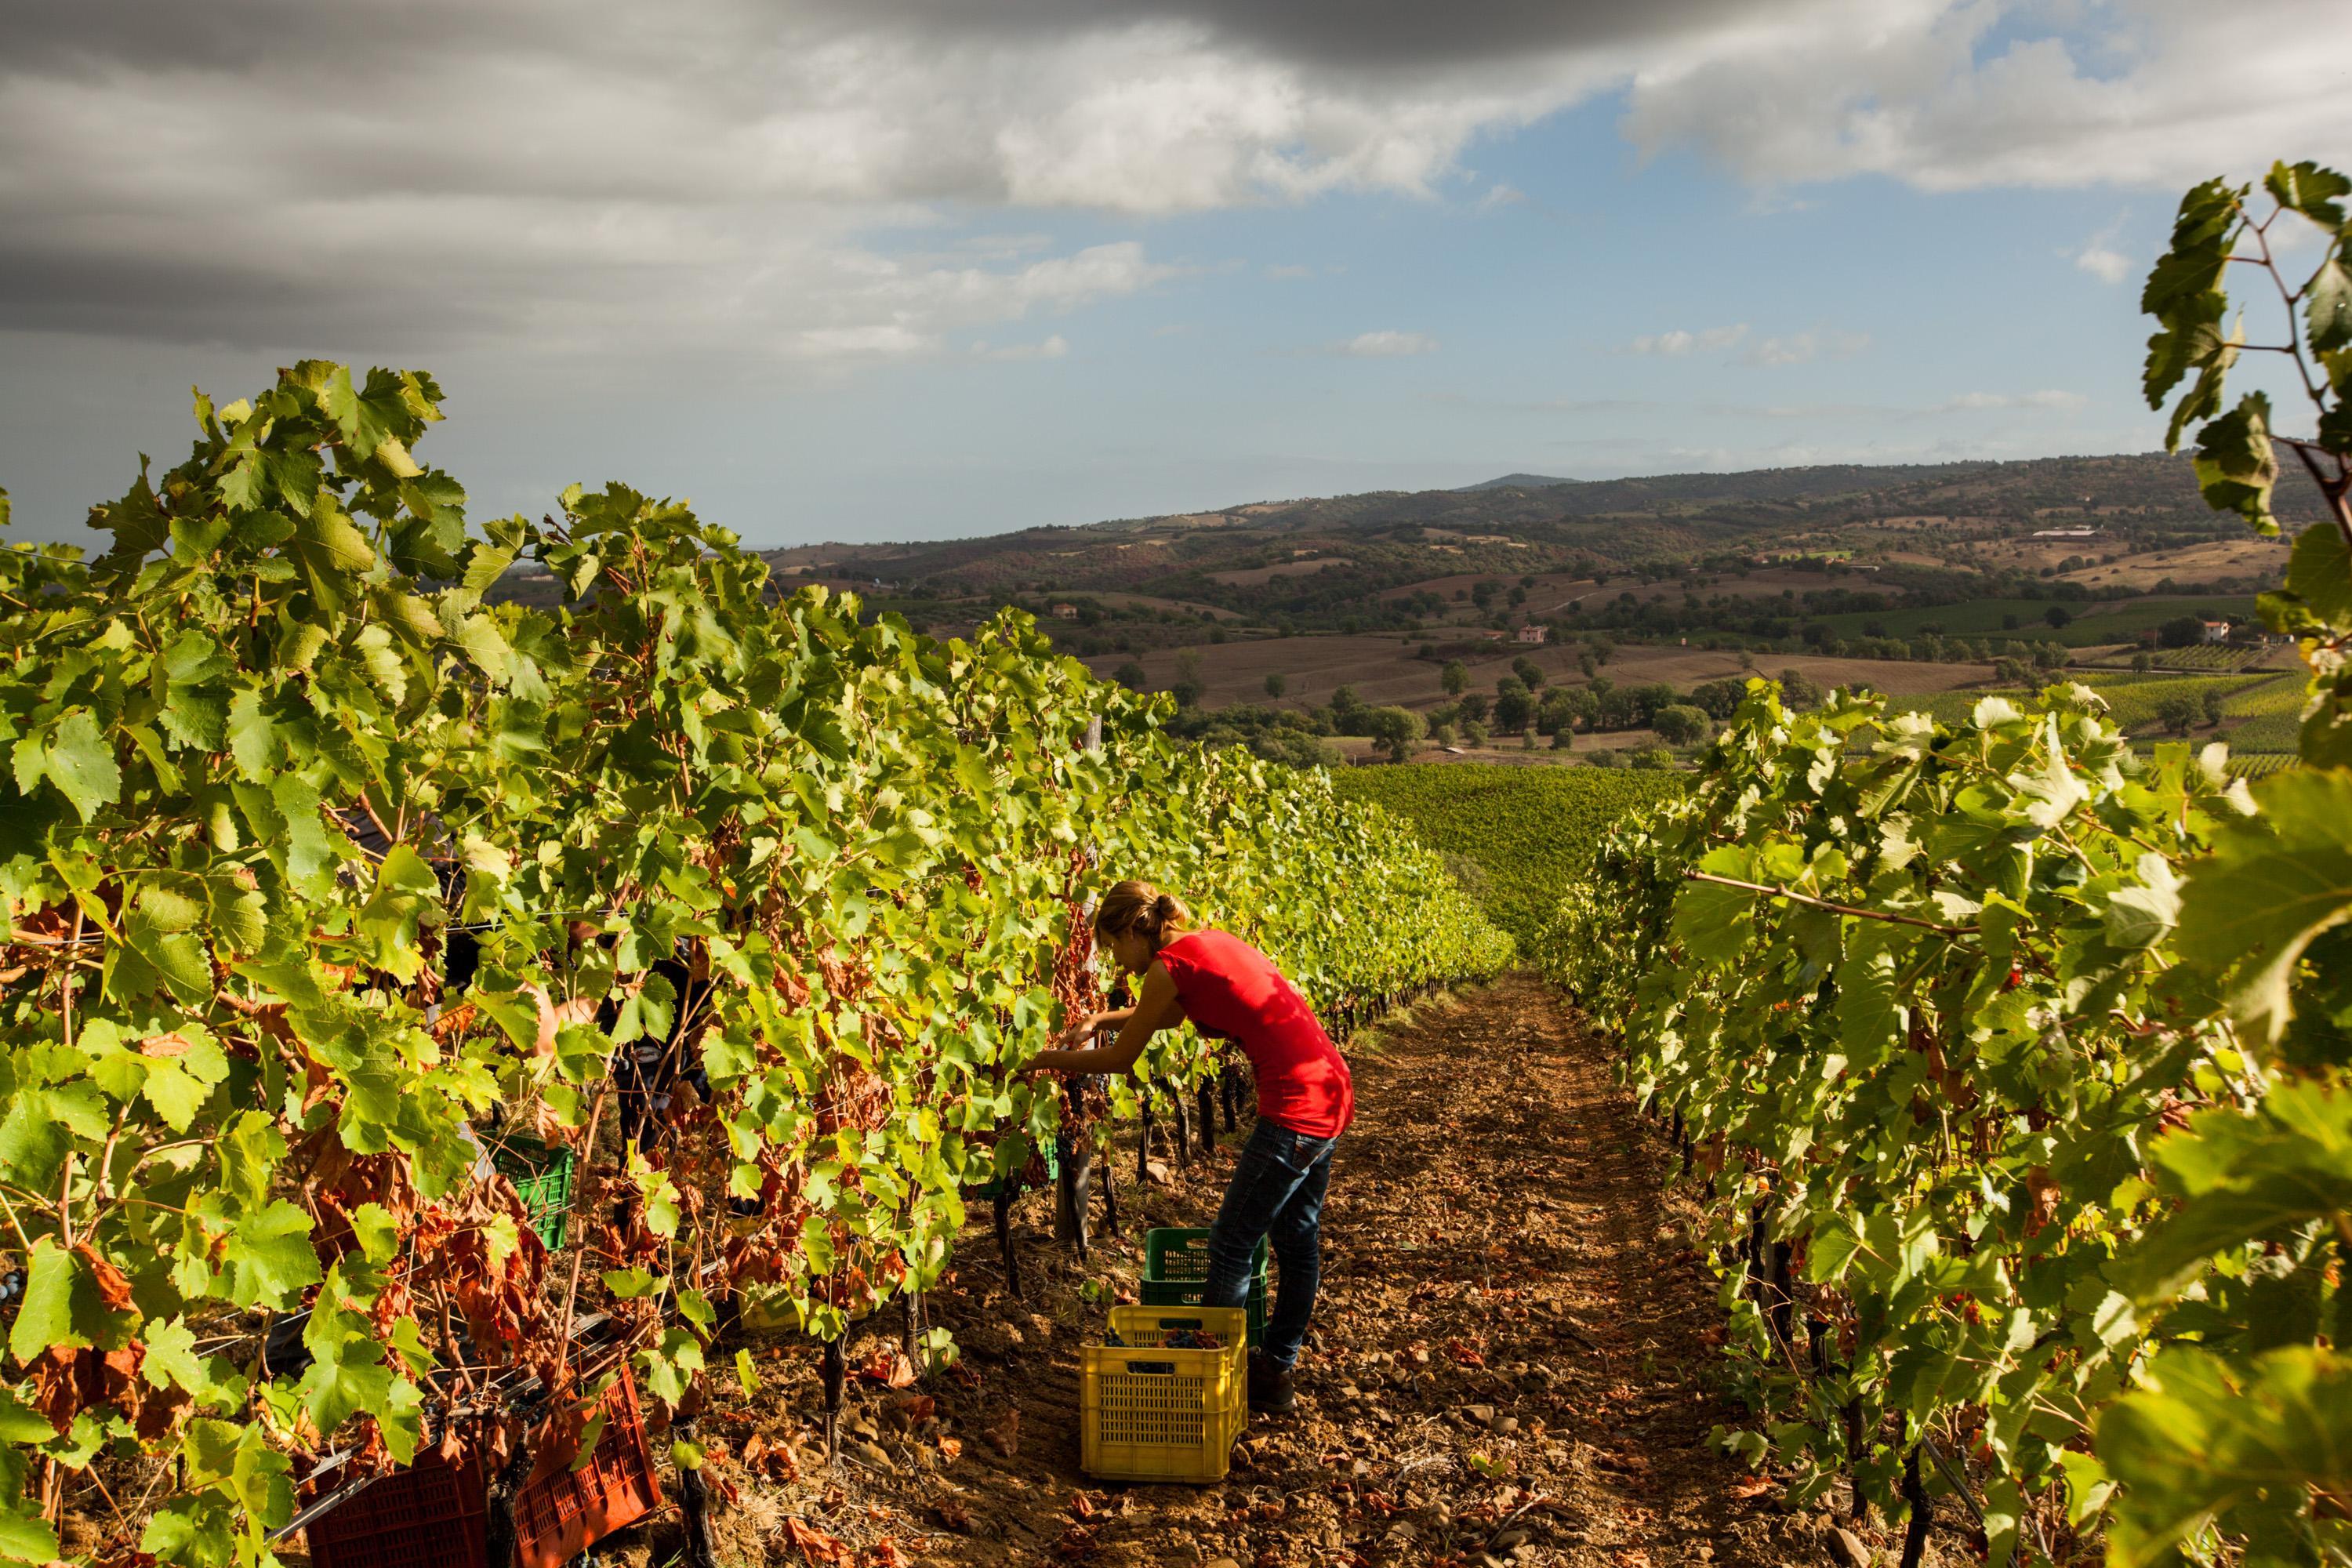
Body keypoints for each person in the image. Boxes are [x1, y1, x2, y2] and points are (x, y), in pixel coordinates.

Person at [1027, 880, 1352, 1412]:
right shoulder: (1205, 944)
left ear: (1136, 930)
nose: (1118, 965)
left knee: (1229, 1246)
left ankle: (1208, 1388)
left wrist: (1043, 1062)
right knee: (1296, 1240)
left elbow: (1118, 1062)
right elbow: (1171, 1014)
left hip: (1295, 1109)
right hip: (1330, 1089)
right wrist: (1098, 1020)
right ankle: (1273, 1374)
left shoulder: (1166, 968)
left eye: (1113, 948)